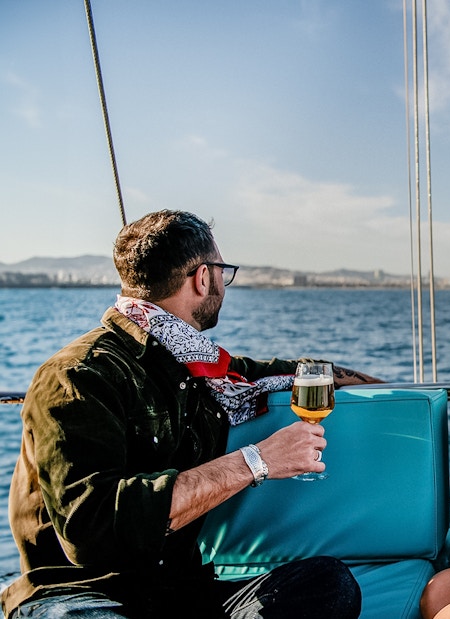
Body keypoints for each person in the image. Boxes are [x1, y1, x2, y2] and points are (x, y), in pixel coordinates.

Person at [1, 210, 383, 619]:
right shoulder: (79, 374)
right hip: (81, 596)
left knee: (326, 584)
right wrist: (258, 460)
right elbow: (90, 533)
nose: (223, 283)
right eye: (223, 272)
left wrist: (375, 386)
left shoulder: (201, 370)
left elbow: (287, 372)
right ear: (203, 277)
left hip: (175, 591)